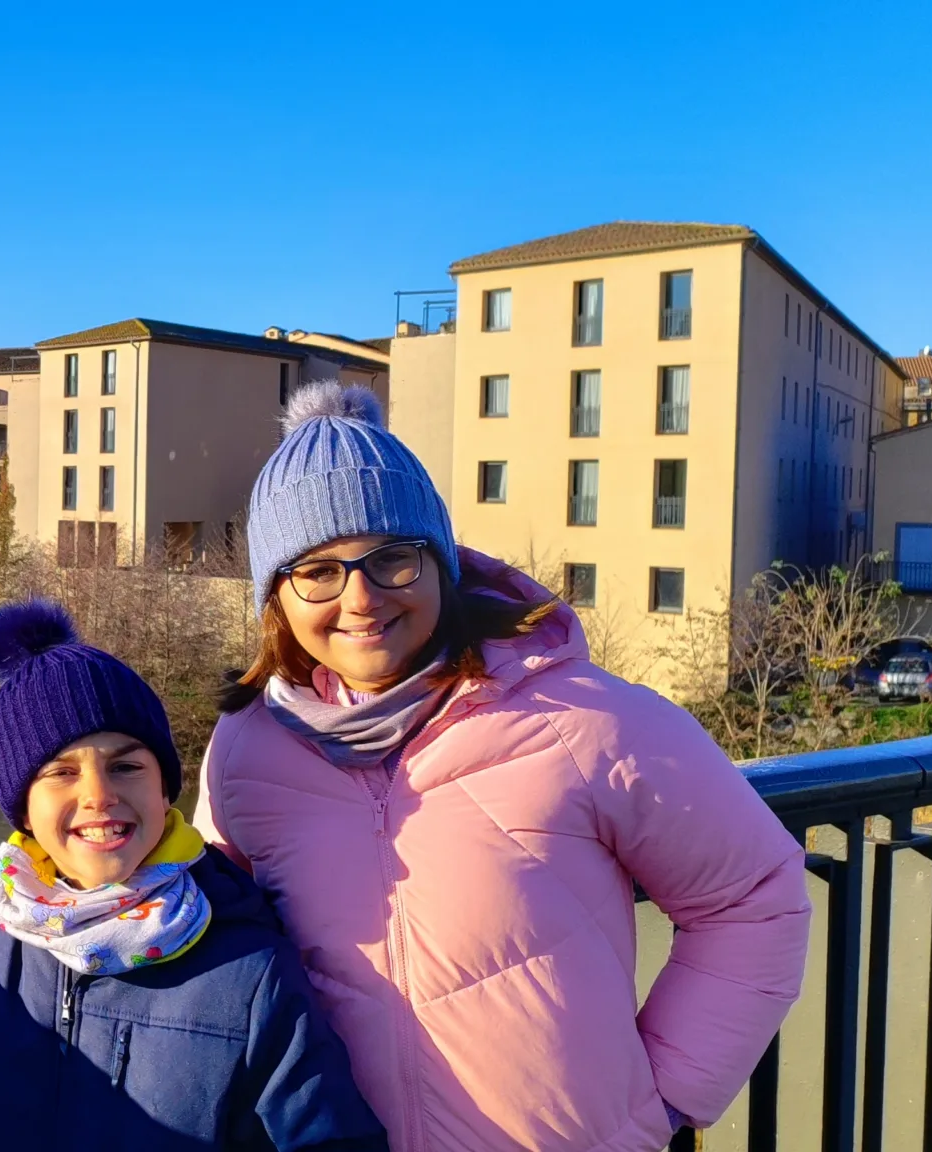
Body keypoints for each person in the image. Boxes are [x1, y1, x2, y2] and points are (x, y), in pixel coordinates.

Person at [194, 384, 811, 1151]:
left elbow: (754, 899)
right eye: (317, 570)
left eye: (393, 558)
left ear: (441, 566)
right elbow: (215, 935)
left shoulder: (584, 718)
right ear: (275, 598)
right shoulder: (248, 746)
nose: (360, 597)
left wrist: (668, 1102)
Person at [0, 599, 387, 1152]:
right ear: (23, 810)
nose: (99, 796)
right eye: (61, 773)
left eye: (126, 766)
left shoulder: (248, 971)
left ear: (164, 790)